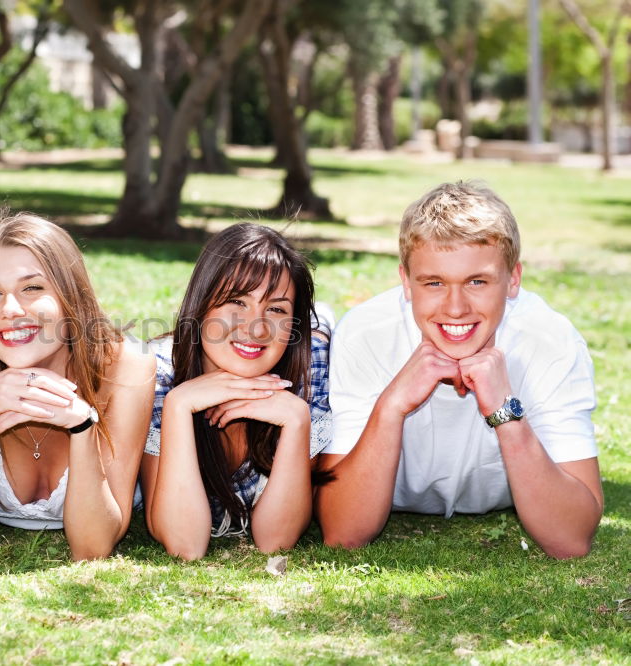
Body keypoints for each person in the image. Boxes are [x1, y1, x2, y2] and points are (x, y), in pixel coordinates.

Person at [316, 181, 603, 559]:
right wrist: (392, 405)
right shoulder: (366, 334)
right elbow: (343, 533)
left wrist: (505, 412)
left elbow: (570, 538)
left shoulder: (551, 342)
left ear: (513, 279)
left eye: (477, 281)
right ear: (405, 281)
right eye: (434, 282)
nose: (455, 308)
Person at [0, 212, 154, 560]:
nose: (10, 309)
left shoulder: (124, 367)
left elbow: (93, 547)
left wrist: (82, 426)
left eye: (32, 288)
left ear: (70, 296)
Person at [140, 224, 331, 560]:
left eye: (276, 309)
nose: (256, 328)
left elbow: (276, 540)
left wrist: (297, 421)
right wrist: (178, 406)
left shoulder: (309, 366)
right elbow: (185, 545)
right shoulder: (155, 374)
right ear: (201, 306)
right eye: (237, 302)